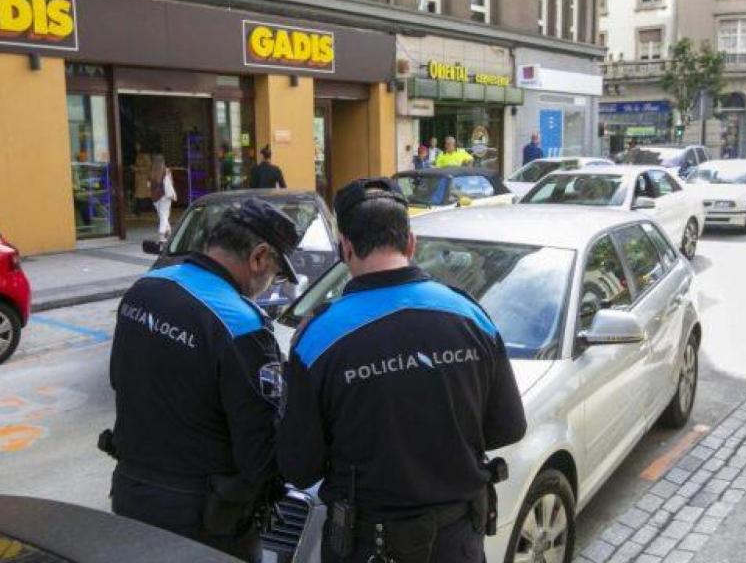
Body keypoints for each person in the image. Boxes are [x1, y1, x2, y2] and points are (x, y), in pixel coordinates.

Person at [277, 178, 528, 563]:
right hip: (457, 541)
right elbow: (509, 427)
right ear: (411, 243)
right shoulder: (470, 315)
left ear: (345, 247)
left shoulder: (319, 338)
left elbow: (299, 466)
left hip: (368, 546)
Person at [106, 199, 300, 562]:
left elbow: (120, 379)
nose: (270, 282)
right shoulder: (240, 323)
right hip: (203, 518)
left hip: (133, 493)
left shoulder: (146, 288)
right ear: (259, 257)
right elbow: (260, 444)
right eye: (275, 271)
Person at [153, 164, 177, 242]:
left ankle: (169, 231)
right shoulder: (166, 175)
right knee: (164, 215)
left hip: (156, 199)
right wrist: (173, 195)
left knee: (163, 215)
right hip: (165, 198)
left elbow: (148, 186)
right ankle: (162, 234)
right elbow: (168, 187)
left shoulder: (153, 175)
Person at [132, 143, 152, 216]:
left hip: (144, 178)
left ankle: (140, 210)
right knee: (139, 194)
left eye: (138, 145)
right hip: (139, 178)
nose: (136, 147)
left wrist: (137, 169)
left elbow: (148, 167)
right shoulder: (138, 155)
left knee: (142, 194)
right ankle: (139, 210)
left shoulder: (145, 156)